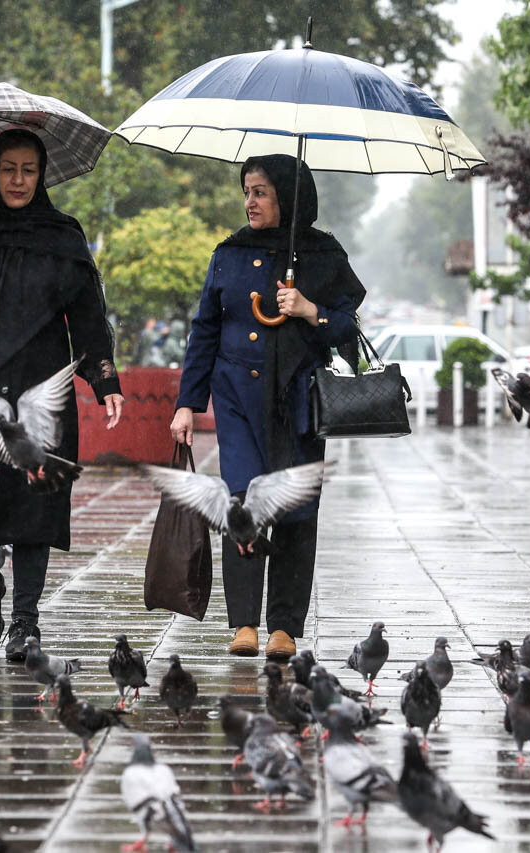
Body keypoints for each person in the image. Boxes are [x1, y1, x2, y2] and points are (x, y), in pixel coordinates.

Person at [0, 129, 124, 658]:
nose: (17, 180)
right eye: (8, 169)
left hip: (42, 388)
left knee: (34, 509)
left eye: (28, 170)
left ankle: (26, 623)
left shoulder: (63, 234)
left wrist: (105, 381)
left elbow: (87, 317)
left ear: (41, 176)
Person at [170, 154, 366, 660]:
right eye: (247, 191)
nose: (249, 201)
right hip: (236, 398)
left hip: (299, 402)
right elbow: (205, 329)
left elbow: (348, 328)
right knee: (245, 506)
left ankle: (284, 626)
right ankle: (243, 625)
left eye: (260, 192)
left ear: (288, 196)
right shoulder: (228, 253)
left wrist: (309, 311)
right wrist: (187, 404)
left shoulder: (322, 255)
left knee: (298, 511)